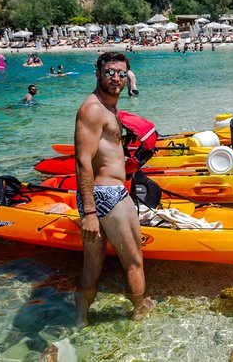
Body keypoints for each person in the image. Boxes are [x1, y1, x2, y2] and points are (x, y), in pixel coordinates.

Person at [74, 51, 154, 328]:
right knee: (134, 262)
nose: (116, 78)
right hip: (108, 195)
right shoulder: (93, 109)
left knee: (92, 266)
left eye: (121, 73)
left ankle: (81, 319)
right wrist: (89, 213)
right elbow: (83, 161)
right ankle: (140, 310)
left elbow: (101, 154)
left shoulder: (107, 108)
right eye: (109, 72)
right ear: (98, 74)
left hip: (100, 196)